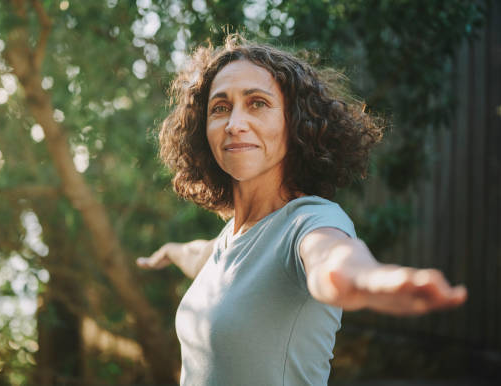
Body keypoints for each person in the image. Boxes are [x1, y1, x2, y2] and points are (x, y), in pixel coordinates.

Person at [136, 35, 467, 386]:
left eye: (257, 103)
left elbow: (332, 258)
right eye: (220, 107)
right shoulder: (228, 239)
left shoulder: (310, 221)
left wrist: (367, 279)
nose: (234, 123)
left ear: (294, 123)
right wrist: (169, 253)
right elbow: (197, 254)